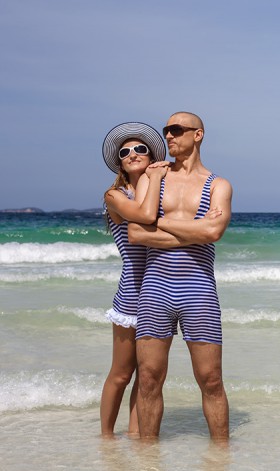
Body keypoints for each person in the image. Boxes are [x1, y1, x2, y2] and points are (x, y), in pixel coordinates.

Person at [128, 111, 233, 440]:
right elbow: (136, 232)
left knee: (211, 379)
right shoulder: (151, 178)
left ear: (198, 134)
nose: (168, 136)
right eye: (166, 130)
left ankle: (220, 464)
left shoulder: (218, 185)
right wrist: (197, 230)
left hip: (198, 289)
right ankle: (148, 464)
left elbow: (214, 232)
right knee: (148, 378)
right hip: (155, 288)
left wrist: (159, 224)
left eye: (176, 130)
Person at [100, 122, 168, 437]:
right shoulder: (114, 195)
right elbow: (144, 216)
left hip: (160, 290)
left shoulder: (163, 188)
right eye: (124, 152)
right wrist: (154, 177)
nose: (132, 154)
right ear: (119, 162)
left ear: (152, 154)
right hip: (131, 292)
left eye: (140, 148)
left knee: (148, 376)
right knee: (122, 373)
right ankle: (106, 438)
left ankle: (134, 434)